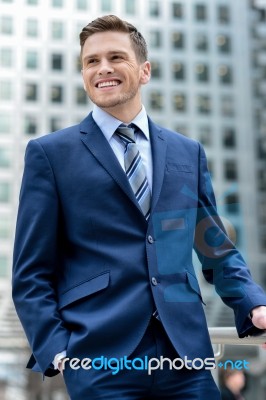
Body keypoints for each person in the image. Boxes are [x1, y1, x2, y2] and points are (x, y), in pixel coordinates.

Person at [12, 14, 266, 400]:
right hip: (98, 360)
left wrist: (252, 302)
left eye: (116, 57)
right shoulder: (50, 155)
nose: (103, 68)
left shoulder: (187, 152)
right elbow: (31, 273)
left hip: (186, 355)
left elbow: (212, 245)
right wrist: (59, 352)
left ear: (144, 70)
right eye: (91, 61)